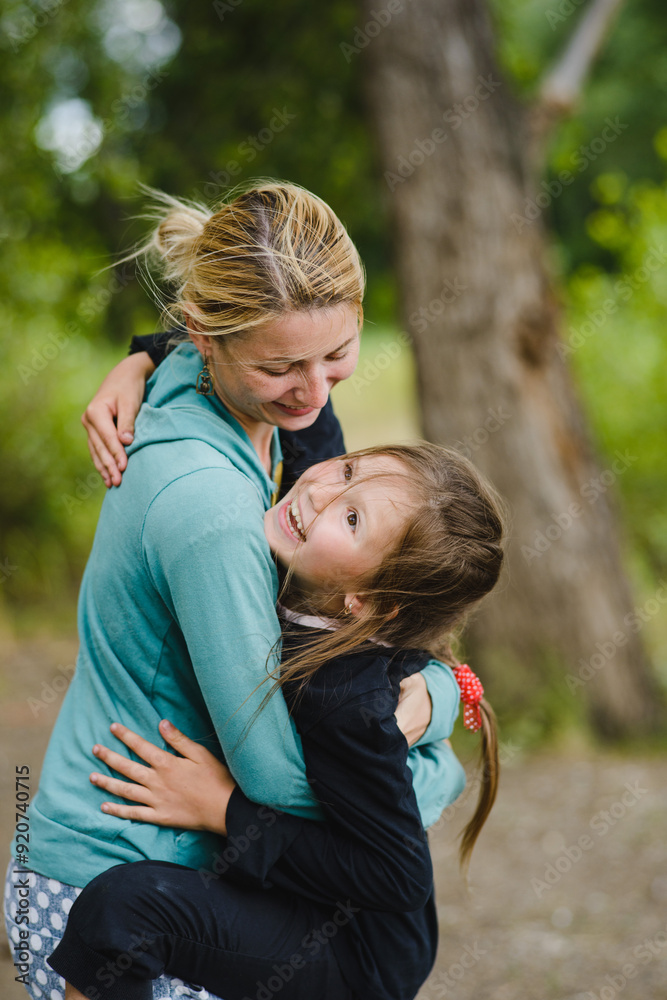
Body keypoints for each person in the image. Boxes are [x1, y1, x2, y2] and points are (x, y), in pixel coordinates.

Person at [4, 183, 462, 999]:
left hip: (163, 872)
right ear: (204, 336)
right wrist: (436, 771)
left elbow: (209, 351)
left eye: (336, 354)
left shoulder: (222, 393)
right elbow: (279, 782)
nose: (314, 391)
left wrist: (142, 356)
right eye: (280, 367)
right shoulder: (215, 513)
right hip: (119, 876)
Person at [47, 443, 505, 1000]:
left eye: (352, 518)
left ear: (363, 602)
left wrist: (224, 811)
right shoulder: (314, 553)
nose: (319, 491)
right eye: (348, 469)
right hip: (308, 897)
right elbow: (302, 407)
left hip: (356, 952)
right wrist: (133, 382)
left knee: (122, 909)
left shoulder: (343, 701)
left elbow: (397, 875)